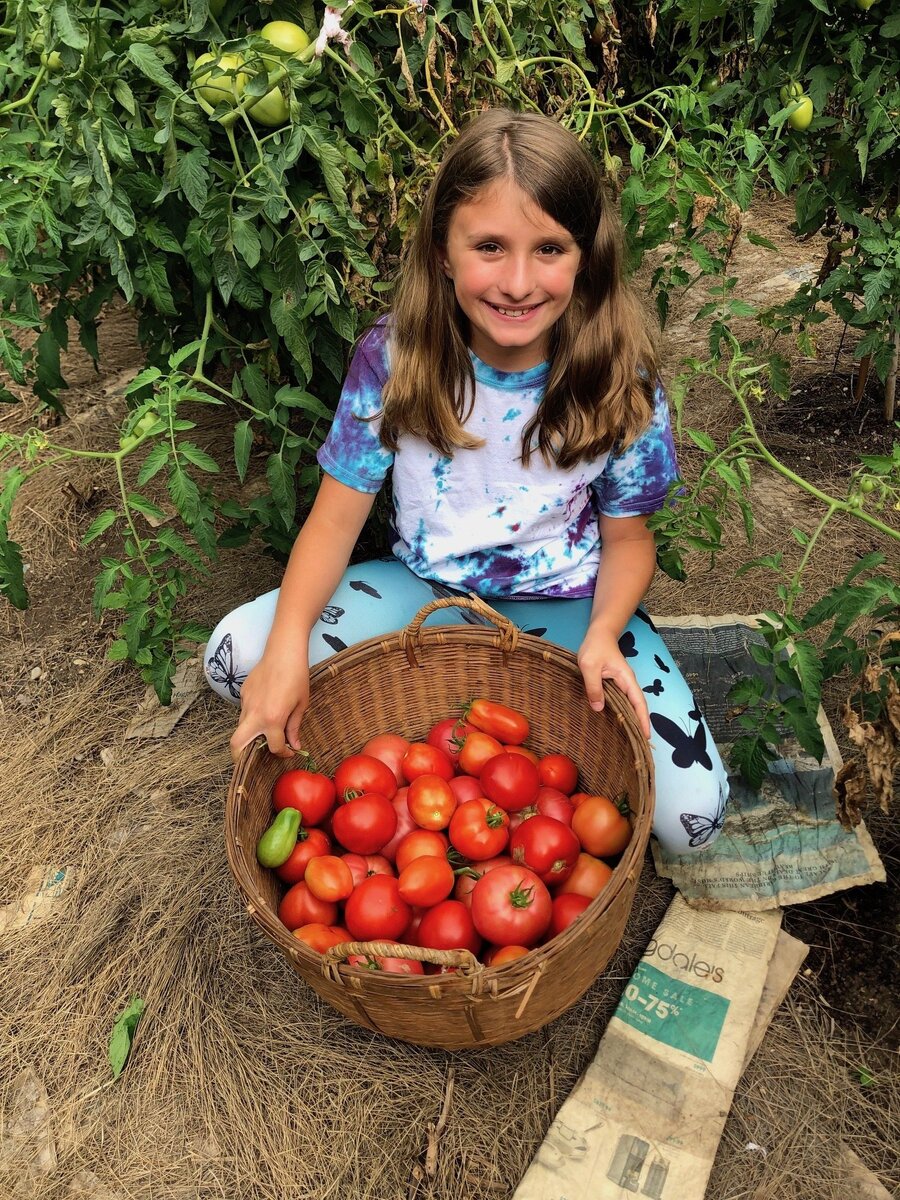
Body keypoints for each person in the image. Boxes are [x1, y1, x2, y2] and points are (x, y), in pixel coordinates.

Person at [205, 107, 729, 856]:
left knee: (691, 823)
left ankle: (468, 708)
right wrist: (289, 642)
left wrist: (607, 633)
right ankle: (460, 713)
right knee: (238, 657)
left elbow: (629, 538)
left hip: (569, 610)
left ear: (586, 256)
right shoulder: (396, 358)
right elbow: (333, 521)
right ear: (444, 251)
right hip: (428, 595)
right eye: (489, 246)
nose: (518, 282)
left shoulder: (620, 379)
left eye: (549, 248)